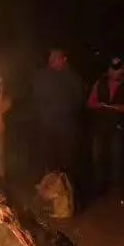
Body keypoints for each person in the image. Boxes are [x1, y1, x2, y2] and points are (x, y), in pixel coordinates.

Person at [87, 57, 124, 198]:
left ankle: (117, 188)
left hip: (117, 126)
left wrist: (119, 107)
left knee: (117, 158)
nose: (114, 72)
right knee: (98, 157)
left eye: (117, 69)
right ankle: (98, 187)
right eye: (112, 69)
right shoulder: (100, 83)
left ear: (122, 70)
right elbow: (90, 103)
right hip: (100, 126)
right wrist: (101, 105)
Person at [32, 49, 83, 180]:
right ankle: (51, 191)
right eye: (52, 59)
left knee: (67, 161)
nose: (54, 61)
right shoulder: (42, 76)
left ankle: (67, 190)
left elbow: (78, 99)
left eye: (57, 58)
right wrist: (46, 114)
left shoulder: (72, 77)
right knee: (49, 160)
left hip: (66, 127)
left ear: (63, 59)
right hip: (48, 127)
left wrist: (66, 112)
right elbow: (37, 97)